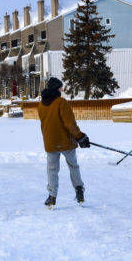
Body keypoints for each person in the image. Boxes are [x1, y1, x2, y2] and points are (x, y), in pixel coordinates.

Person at [38, 77, 90, 209]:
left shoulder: (41, 104)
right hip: (65, 141)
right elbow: (69, 123)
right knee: (73, 166)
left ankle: (52, 196)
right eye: (60, 87)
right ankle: (79, 191)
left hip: (50, 142)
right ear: (56, 88)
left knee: (52, 170)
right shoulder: (61, 102)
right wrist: (80, 136)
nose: (62, 90)